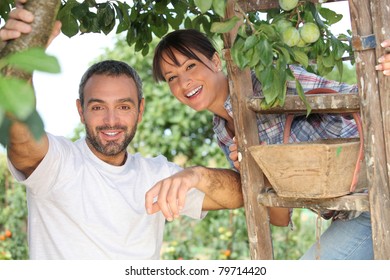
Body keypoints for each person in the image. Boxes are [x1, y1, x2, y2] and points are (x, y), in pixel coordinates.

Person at [0, 7, 244, 259]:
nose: (111, 120)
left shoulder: (156, 174)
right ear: (80, 111)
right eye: (98, 107)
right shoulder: (59, 164)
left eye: (124, 106)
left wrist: (197, 175)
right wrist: (17, 65)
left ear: (140, 111)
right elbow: (21, 137)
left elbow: (240, 194)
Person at [152, 29, 390, 260]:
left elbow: (361, 96)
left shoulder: (269, 81)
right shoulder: (223, 133)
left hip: (377, 194)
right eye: (172, 77)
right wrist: (258, 169)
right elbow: (280, 217)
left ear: (215, 61)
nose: (184, 82)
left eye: (190, 66)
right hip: (348, 214)